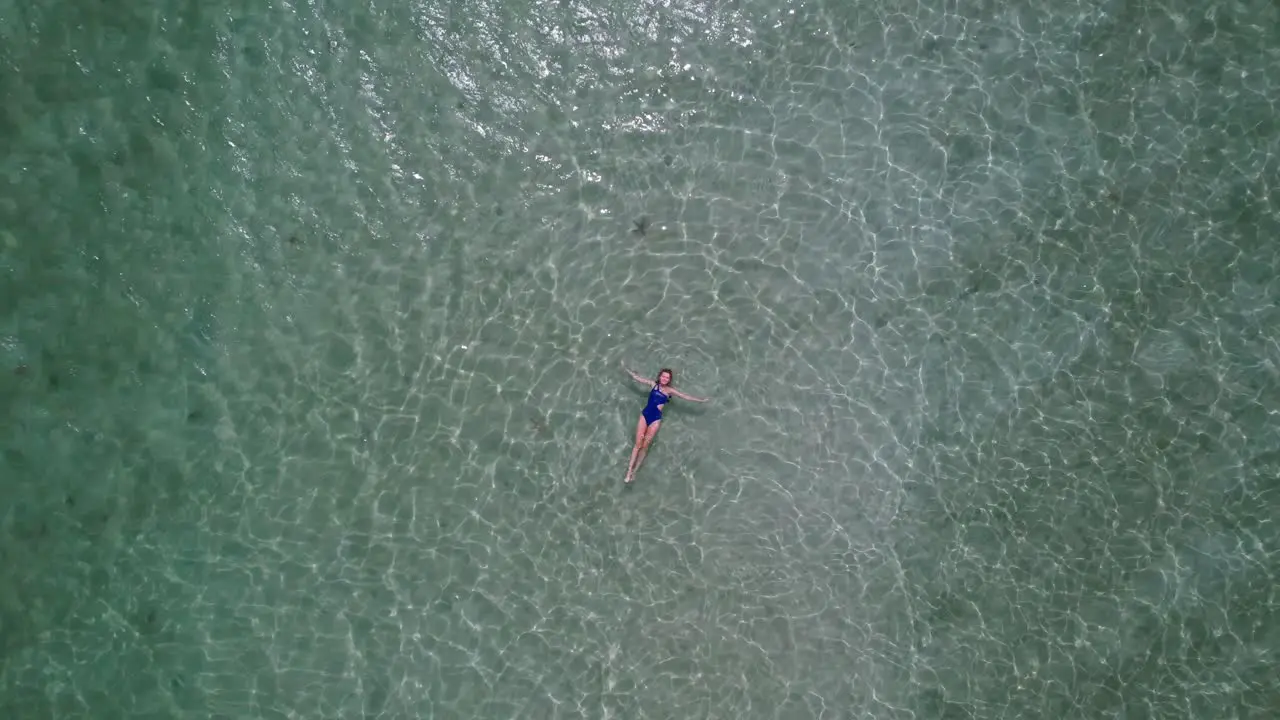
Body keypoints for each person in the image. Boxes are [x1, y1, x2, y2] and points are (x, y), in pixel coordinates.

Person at [620, 362, 709, 484]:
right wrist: (626, 369)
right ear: (659, 376)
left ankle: (635, 471)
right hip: (645, 415)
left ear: (669, 380)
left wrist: (701, 400)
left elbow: (685, 396)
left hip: (655, 419)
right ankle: (629, 471)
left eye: (667, 377)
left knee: (645, 446)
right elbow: (638, 379)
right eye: (663, 376)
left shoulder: (669, 391)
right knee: (637, 444)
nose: (664, 378)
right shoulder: (653, 385)